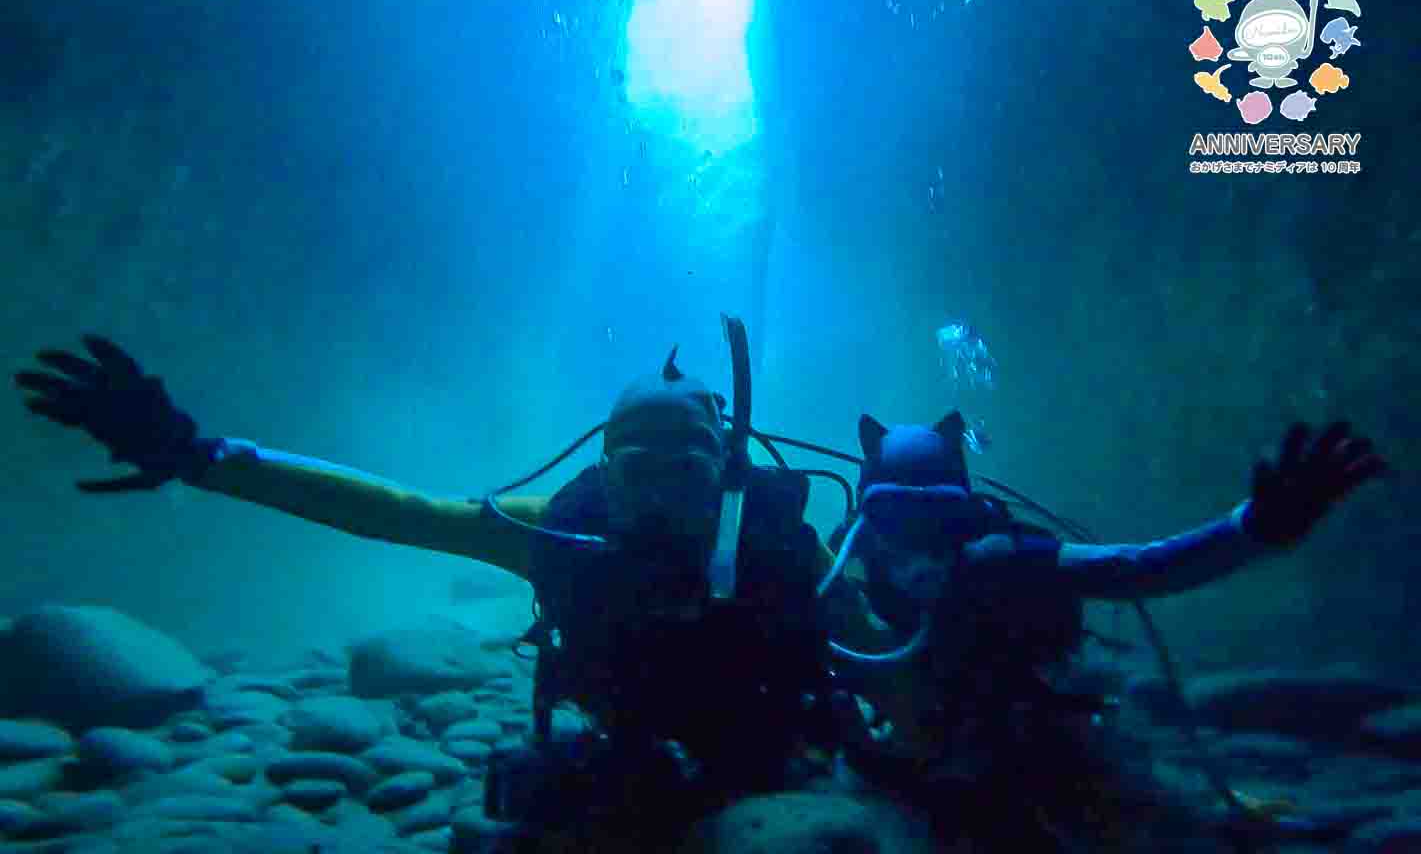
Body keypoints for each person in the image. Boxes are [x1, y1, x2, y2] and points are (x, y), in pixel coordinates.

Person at [13, 323, 854, 851]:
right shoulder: (557, 534)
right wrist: (200, 455)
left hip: (764, 744)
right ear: (606, 473)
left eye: (688, 469)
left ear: (726, 475)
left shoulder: (778, 551)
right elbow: (398, 512)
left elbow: (876, 647)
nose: (664, 494)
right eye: (641, 469)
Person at [816, 409, 1388, 851]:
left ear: (961, 515)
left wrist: (1257, 527)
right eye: (897, 518)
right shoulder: (838, 568)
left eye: (935, 518)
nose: (917, 545)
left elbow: (1138, 567)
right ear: (869, 520)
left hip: (1023, 731)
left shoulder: (1002, 560)